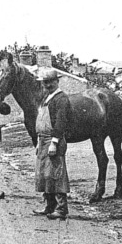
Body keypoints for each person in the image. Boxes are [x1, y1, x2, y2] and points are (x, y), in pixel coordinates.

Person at [32, 68, 73, 220]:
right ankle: (49, 206)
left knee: (56, 174)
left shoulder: (61, 99)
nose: (48, 85)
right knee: (45, 174)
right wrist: (38, 141)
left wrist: (54, 143)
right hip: (42, 140)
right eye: (45, 82)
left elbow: (61, 123)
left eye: (51, 82)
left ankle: (61, 209)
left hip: (53, 140)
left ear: (57, 81)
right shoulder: (47, 98)